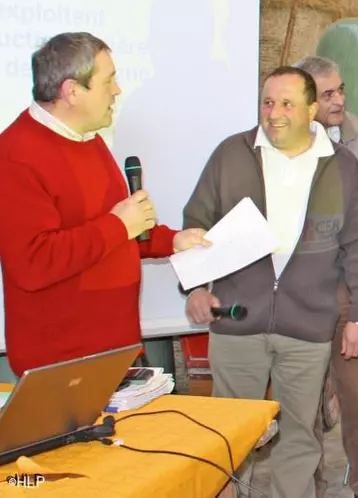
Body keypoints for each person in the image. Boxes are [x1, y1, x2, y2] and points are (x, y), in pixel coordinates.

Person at [182, 66, 358, 498]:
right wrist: (196, 287)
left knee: (300, 436)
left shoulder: (341, 165)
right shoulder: (230, 155)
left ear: (312, 109)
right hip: (236, 322)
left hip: (308, 328)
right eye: (267, 102)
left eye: (287, 103)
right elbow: (196, 222)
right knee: (229, 437)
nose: (274, 114)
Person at [0, 32, 209, 377]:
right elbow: (33, 263)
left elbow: (112, 230)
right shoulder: (16, 155)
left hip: (114, 352)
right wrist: (119, 225)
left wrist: (171, 241)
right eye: (108, 80)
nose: (117, 90)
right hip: (62, 365)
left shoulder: (88, 139)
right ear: (72, 91)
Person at [292, 55, 358, 498]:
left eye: (341, 90)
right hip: (301, 295)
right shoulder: (281, 145)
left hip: (352, 289)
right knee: (303, 401)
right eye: (327, 94)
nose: (338, 100)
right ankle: (307, 484)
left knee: (356, 399)